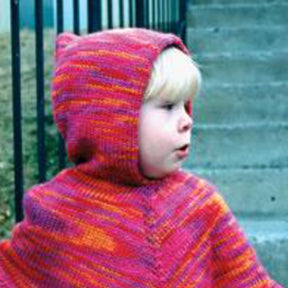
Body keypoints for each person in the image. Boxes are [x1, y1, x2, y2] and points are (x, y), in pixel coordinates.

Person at [0, 28, 283, 288]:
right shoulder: (55, 214)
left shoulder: (199, 205)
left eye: (185, 105)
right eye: (169, 106)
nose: (187, 120)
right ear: (111, 120)